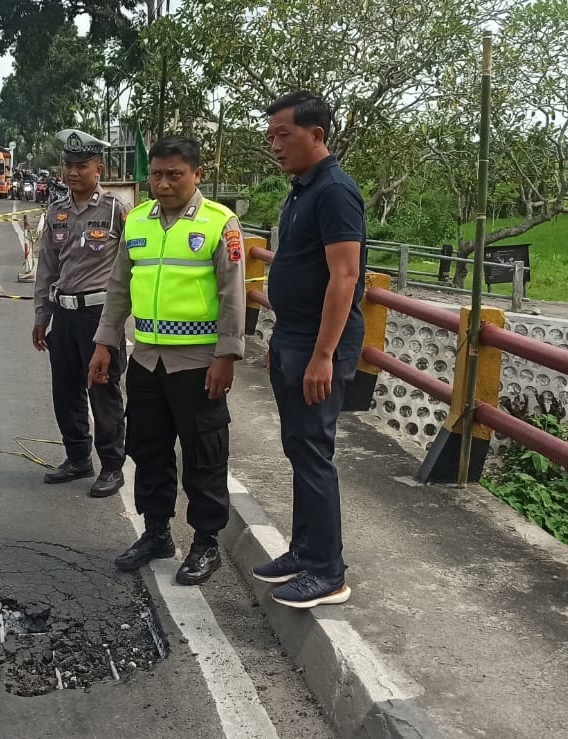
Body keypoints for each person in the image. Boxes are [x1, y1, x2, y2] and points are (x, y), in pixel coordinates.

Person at [89, 136, 246, 586]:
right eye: (156, 174)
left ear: (196, 174)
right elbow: (119, 288)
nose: (162, 182)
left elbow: (232, 295)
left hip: (199, 364)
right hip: (147, 360)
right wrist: (106, 343)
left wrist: (227, 355)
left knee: (204, 455)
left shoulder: (221, 223)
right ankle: (156, 532)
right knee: (149, 449)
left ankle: (205, 543)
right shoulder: (136, 221)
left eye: (174, 174)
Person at [248, 91, 366, 608]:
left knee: (314, 450)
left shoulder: (335, 191)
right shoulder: (301, 189)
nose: (274, 145)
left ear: (316, 135)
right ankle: (303, 551)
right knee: (298, 446)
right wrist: (282, 337)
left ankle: (327, 571)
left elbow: (345, 276)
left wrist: (322, 355)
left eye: (283, 135)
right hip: (293, 335)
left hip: (320, 342)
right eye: (270, 136)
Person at [32, 128, 129, 498]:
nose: (73, 172)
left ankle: (113, 465)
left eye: (82, 165)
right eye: (68, 165)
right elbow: (47, 270)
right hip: (65, 314)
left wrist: (120, 319)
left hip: (100, 315)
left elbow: (131, 264)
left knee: (103, 391)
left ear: (98, 168)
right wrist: (41, 316)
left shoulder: (116, 211)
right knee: (65, 390)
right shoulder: (56, 212)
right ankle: (77, 457)